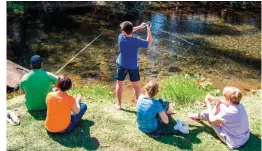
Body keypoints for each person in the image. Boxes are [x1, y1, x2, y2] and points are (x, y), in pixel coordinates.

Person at [115, 21, 152, 110]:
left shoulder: (121, 37)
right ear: (131, 30)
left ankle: (119, 105)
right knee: (136, 86)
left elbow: (128, 31)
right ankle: (139, 106)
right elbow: (149, 42)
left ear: (123, 31)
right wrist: (148, 29)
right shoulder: (136, 41)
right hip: (133, 66)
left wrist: (139, 27)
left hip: (122, 65)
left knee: (120, 85)